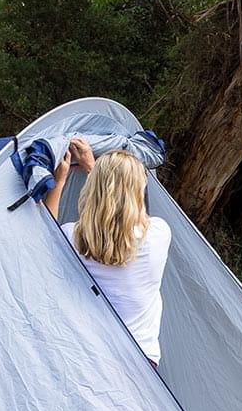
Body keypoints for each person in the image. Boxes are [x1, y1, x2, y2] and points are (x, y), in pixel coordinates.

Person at [42, 137, 172, 365]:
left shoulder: (73, 236)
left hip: (89, 359)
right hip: (141, 361)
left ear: (93, 188)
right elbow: (129, 209)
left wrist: (59, 182)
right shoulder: (159, 234)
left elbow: (40, 234)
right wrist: (95, 168)